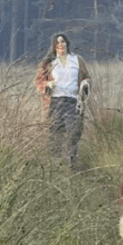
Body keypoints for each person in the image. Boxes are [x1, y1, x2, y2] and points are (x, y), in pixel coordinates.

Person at [35, 32, 90, 169]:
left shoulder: (77, 60)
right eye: (58, 43)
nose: (61, 45)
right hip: (55, 101)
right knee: (55, 134)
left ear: (67, 44)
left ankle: (72, 163)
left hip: (73, 102)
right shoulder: (48, 63)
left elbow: (86, 77)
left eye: (63, 42)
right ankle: (55, 165)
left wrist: (85, 84)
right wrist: (47, 85)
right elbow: (39, 81)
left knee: (74, 131)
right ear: (54, 46)